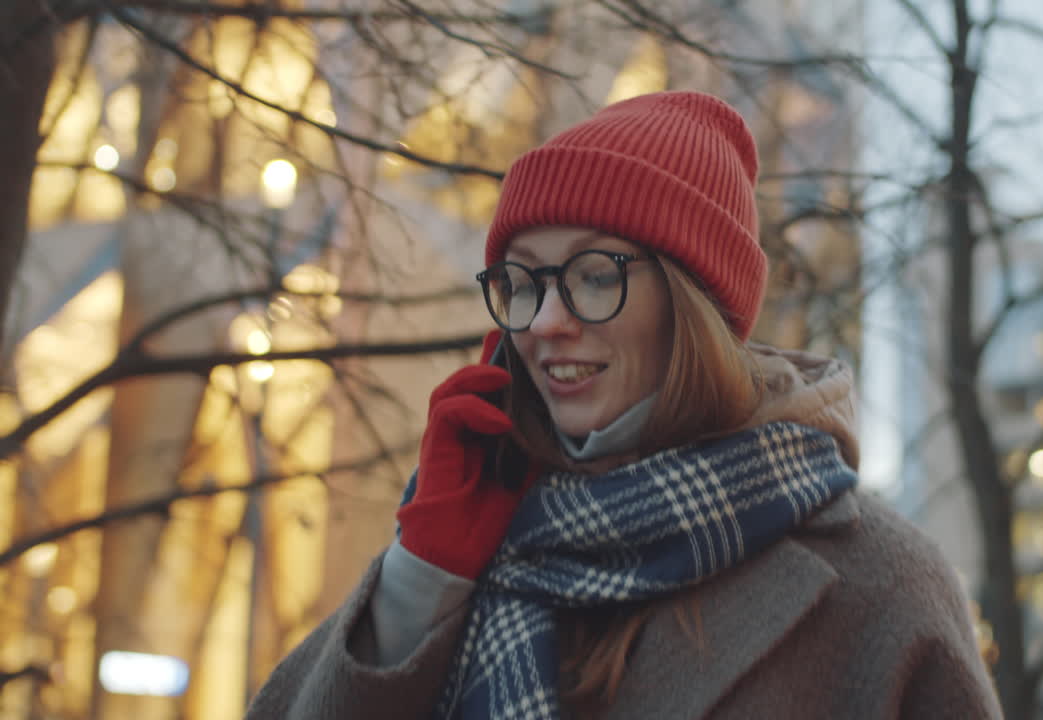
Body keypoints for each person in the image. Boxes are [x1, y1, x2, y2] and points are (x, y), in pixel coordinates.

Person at [245, 90, 1003, 719]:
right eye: (523, 282)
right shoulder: (482, 544)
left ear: (693, 304)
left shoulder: (879, 585)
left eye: (595, 277)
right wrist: (420, 580)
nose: (544, 323)